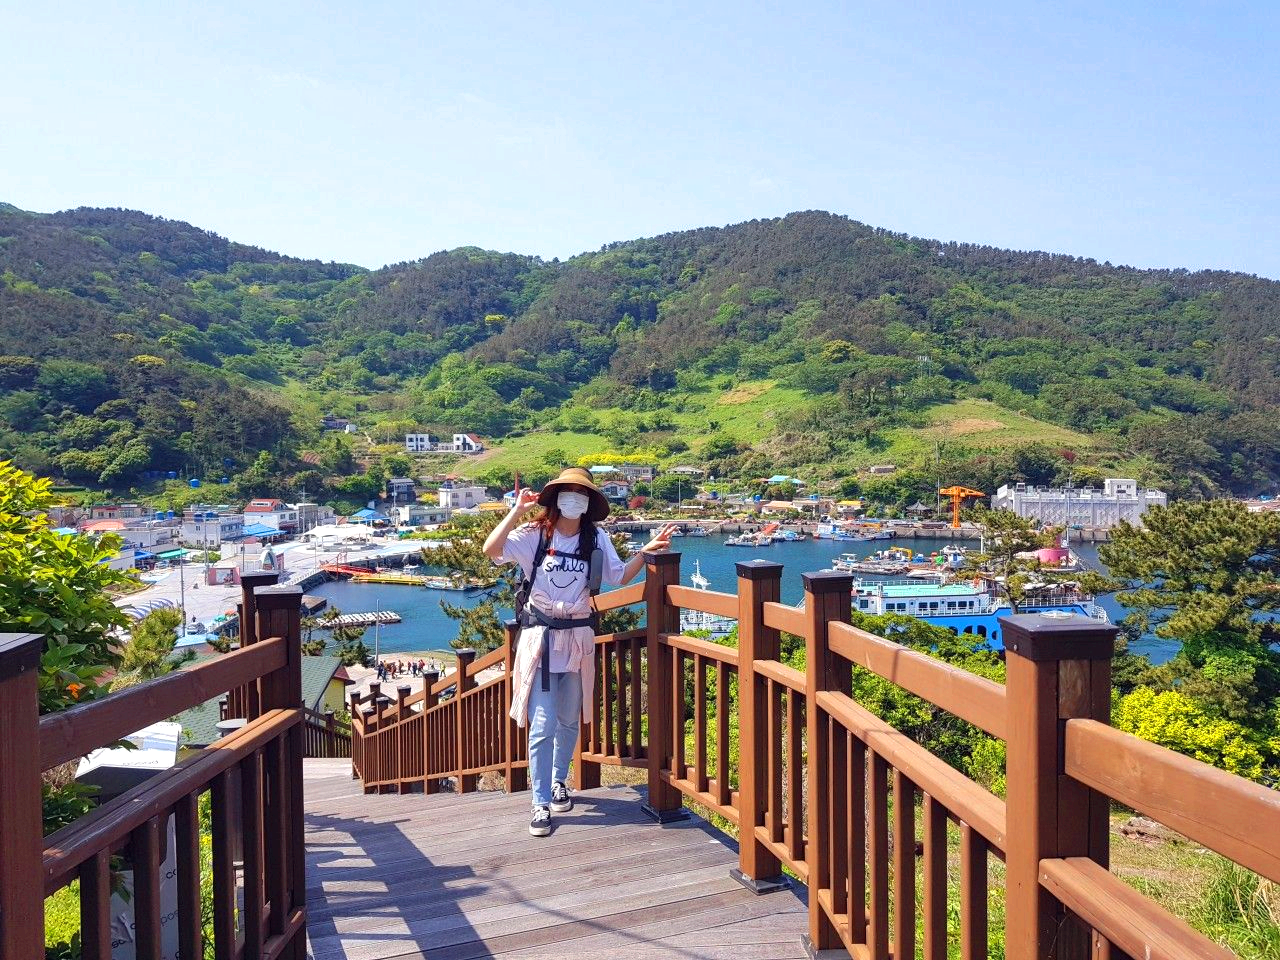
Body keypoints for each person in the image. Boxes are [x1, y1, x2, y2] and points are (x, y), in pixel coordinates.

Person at [485, 467, 676, 837]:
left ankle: (560, 782)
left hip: (576, 642)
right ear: (556, 497)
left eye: (582, 493)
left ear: (589, 502)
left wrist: (645, 551)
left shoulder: (596, 538)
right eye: (568, 491)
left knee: (570, 719)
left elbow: (618, 576)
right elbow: (491, 550)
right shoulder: (535, 534)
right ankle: (539, 802)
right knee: (543, 724)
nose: (574, 498)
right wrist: (516, 511)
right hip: (541, 642)